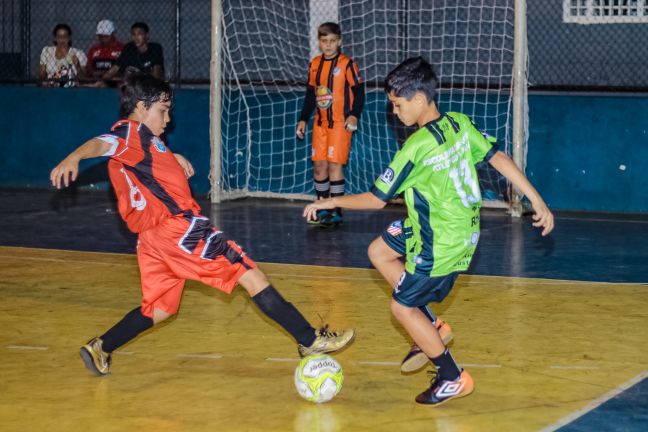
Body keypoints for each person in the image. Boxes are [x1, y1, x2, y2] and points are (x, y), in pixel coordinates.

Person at [50, 74, 354, 377]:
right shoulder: (131, 135)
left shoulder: (145, 144)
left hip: (151, 241)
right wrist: (74, 157)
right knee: (246, 271)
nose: (168, 119)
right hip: (179, 230)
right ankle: (308, 339)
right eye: (163, 110)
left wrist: (171, 156)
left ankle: (101, 346)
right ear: (142, 108)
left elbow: (140, 166)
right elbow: (103, 144)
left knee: (160, 308)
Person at [303, 57, 554, 405]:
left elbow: (376, 200)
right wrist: (537, 200)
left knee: (401, 308)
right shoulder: (459, 124)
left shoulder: (416, 148)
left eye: (397, 103)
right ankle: (433, 326)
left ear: (419, 100)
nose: (394, 111)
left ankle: (452, 376)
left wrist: (329, 202)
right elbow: (499, 158)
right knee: (379, 251)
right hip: (453, 227)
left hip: (440, 241)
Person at [296, 22, 364, 227]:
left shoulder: (347, 64)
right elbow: (310, 95)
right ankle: (322, 207)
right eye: (324, 41)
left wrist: (354, 115)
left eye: (332, 41)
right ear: (319, 42)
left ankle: (336, 210)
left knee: (335, 165)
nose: (328, 45)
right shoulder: (315, 64)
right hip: (320, 124)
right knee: (319, 167)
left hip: (340, 125)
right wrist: (302, 119)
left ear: (339, 41)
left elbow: (359, 93)